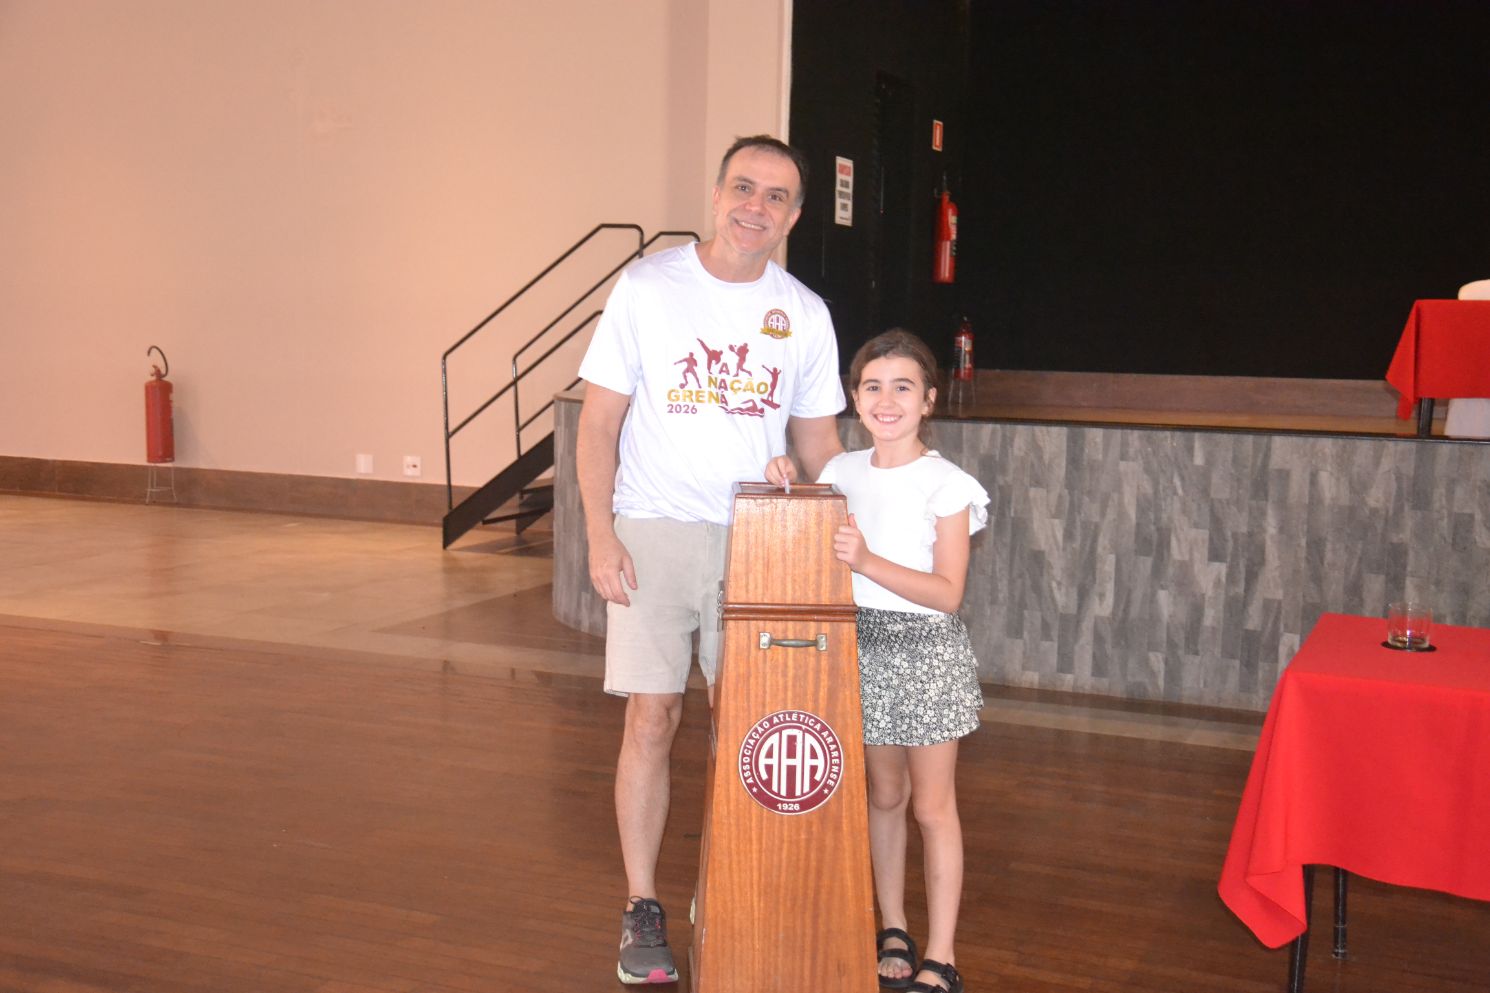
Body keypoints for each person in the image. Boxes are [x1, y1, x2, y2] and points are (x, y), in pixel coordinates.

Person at [575, 134, 845, 985]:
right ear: (718, 193)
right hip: (652, 531)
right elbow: (598, 423)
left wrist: (852, 512)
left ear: (794, 215)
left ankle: (726, 885)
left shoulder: (804, 312)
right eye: (743, 187)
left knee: (743, 725)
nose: (755, 207)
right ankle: (642, 903)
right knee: (651, 719)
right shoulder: (647, 286)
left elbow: (819, 444)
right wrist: (601, 533)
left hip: (755, 540)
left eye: (775, 196)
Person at [766, 329, 988, 993]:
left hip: (926, 650)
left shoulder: (948, 484)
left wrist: (866, 561)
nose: (886, 400)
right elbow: (813, 548)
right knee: (884, 796)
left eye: (902, 387)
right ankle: (893, 924)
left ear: (928, 400)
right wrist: (785, 484)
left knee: (932, 808)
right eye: (872, 387)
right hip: (857, 643)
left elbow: (948, 593)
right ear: (855, 399)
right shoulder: (840, 473)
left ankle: (941, 955)